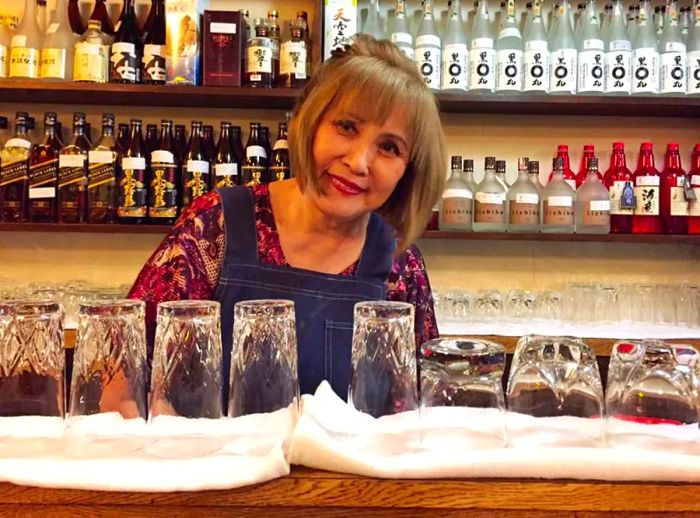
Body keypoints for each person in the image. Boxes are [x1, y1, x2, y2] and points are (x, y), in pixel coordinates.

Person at [129, 35, 446, 403]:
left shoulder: (401, 267)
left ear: (408, 170)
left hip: (345, 464)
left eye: (389, 147)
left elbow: (422, 407)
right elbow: (125, 372)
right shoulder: (214, 226)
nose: (359, 162)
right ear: (309, 123)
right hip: (218, 460)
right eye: (346, 127)